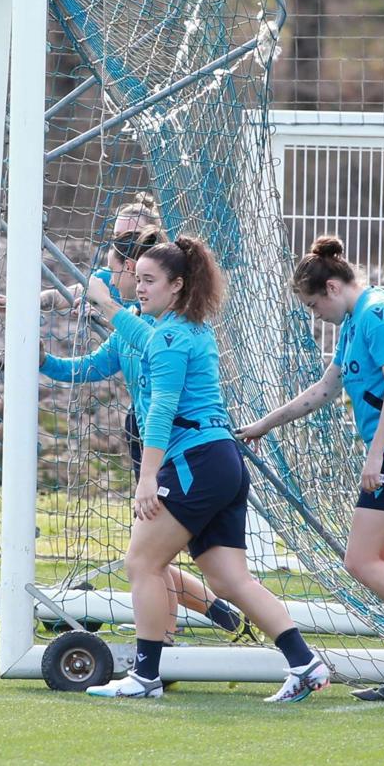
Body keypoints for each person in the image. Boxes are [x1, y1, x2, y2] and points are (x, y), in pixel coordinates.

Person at [83, 236, 330, 701]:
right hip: (219, 462)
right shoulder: (178, 329)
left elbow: (160, 412)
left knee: (142, 562)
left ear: (177, 285)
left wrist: (148, 477)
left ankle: (145, 676)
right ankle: (305, 662)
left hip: (196, 462)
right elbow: (144, 340)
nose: (139, 288)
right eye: (136, 279)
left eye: (148, 281)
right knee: (227, 579)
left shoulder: (173, 336)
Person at [237, 236, 384, 703]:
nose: (313, 314)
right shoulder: (351, 323)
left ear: (334, 287)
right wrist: (263, 425)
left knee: (359, 562)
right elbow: (323, 390)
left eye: (313, 303)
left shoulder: (377, 314)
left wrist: (376, 453)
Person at [39, 226, 251, 642]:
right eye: (134, 278)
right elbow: (85, 369)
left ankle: (177, 636)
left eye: (130, 272)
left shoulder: (166, 331)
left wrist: (108, 309)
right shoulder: (133, 327)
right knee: (149, 555)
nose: (125, 280)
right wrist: (39, 358)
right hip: (149, 439)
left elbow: (161, 360)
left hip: (183, 445)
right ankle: (175, 633)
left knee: (148, 557)